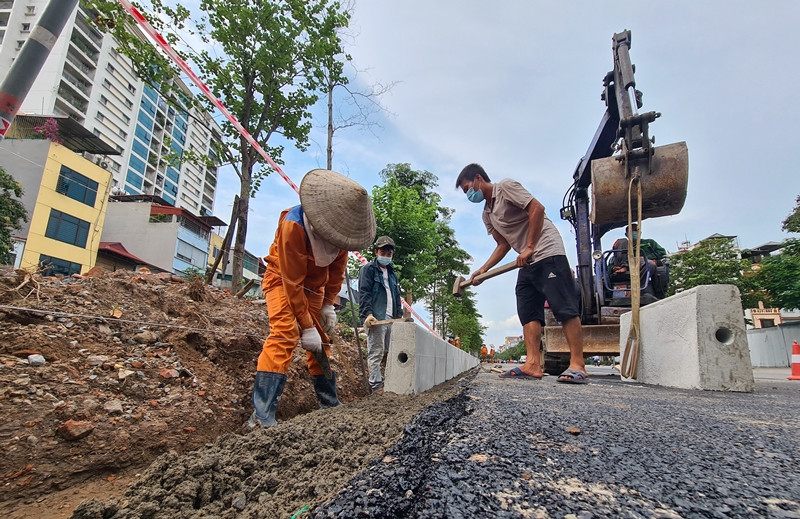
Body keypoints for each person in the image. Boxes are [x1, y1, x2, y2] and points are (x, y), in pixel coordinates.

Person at [247, 169, 376, 428]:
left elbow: (337, 271)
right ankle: (261, 416)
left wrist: (328, 304)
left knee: (322, 341)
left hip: (315, 290)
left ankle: (328, 401)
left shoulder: (342, 233)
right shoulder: (293, 226)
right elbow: (292, 282)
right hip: (283, 281)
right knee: (285, 334)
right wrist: (306, 326)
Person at [456, 163, 587, 383]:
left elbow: (537, 208)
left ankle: (578, 365)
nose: (470, 194)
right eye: (466, 192)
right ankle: (533, 364)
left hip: (546, 251)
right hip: (526, 261)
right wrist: (483, 270)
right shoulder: (487, 214)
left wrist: (529, 246)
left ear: (479, 178)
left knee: (563, 306)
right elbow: (503, 245)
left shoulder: (505, 187)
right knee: (527, 309)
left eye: (469, 187)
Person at [358, 235, 403, 393]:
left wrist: (400, 317)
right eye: (383, 252)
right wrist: (368, 314)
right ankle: (376, 386)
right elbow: (364, 293)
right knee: (376, 352)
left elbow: (397, 297)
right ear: (376, 252)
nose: (386, 256)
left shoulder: (392, 274)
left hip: (391, 319)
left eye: (389, 254)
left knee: (392, 351)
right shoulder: (368, 270)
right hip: (376, 318)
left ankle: (389, 382)